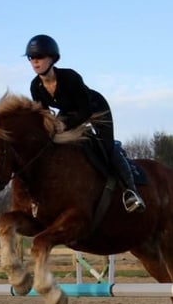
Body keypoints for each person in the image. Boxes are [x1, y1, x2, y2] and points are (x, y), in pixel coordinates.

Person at [24, 34, 146, 213]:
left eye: (39, 57)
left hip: (95, 108)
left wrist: (65, 125)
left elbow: (86, 110)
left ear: (52, 58)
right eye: (31, 58)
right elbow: (45, 115)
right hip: (69, 112)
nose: (35, 62)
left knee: (106, 148)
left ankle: (131, 191)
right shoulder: (35, 86)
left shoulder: (70, 77)